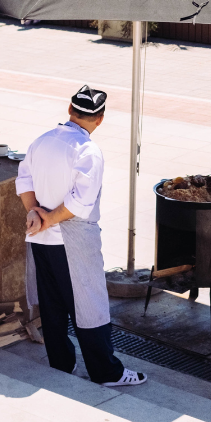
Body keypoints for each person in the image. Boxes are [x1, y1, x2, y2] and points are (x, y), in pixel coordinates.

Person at [18, 86, 147, 388]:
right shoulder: (88, 151)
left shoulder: (42, 141)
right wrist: (48, 218)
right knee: (90, 305)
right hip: (72, 242)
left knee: (52, 307)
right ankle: (107, 373)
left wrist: (35, 214)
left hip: (39, 239)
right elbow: (79, 203)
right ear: (100, 119)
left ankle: (61, 364)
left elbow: (23, 180)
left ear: (69, 110)